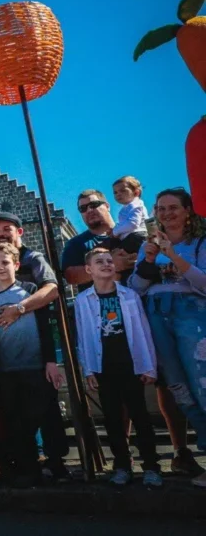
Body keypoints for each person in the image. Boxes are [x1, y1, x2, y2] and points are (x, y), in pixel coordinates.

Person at [129, 187, 206, 488]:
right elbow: (136, 288)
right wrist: (149, 259)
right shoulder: (148, 246)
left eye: (173, 207)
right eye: (160, 208)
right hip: (156, 316)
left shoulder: (199, 243)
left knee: (202, 384)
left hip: (193, 316)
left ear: (188, 210)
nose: (166, 213)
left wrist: (172, 255)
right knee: (178, 387)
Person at [0, 212, 70, 482]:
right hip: (6, 365)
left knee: (47, 412)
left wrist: (19, 310)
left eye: (7, 228)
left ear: (19, 232)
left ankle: (57, 464)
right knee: (15, 418)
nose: (1, 233)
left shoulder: (33, 261)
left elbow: (51, 293)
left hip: (35, 359)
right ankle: (25, 465)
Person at [77, 248, 162, 487]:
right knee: (112, 418)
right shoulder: (84, 300)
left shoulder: (129, 296)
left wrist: (149, 366)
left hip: (130, 363)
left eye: (108, 261)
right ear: (89, 269)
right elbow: (83, 336)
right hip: (104, 365)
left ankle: (152, 466)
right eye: (99, 262)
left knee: (140, 415)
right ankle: (122, 465)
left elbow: (142, 330)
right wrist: (88, 369)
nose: (105, 264)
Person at [62, 189, 138, 293]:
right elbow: (70, 276)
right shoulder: (75, 244)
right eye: (83, 208)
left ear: (107, 206)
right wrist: (111, 264)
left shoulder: (131, 233)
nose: (89, 210)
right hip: (101, 305)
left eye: (93, 205)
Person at [111, 176, 150, 246]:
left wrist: (115, 232)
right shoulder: (127, 207)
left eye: (123, 190)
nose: (118, 194)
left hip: (137, 236)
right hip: (131, 237)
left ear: (136, 192)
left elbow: (133, 224)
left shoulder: (136, 204)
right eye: (115, 192)